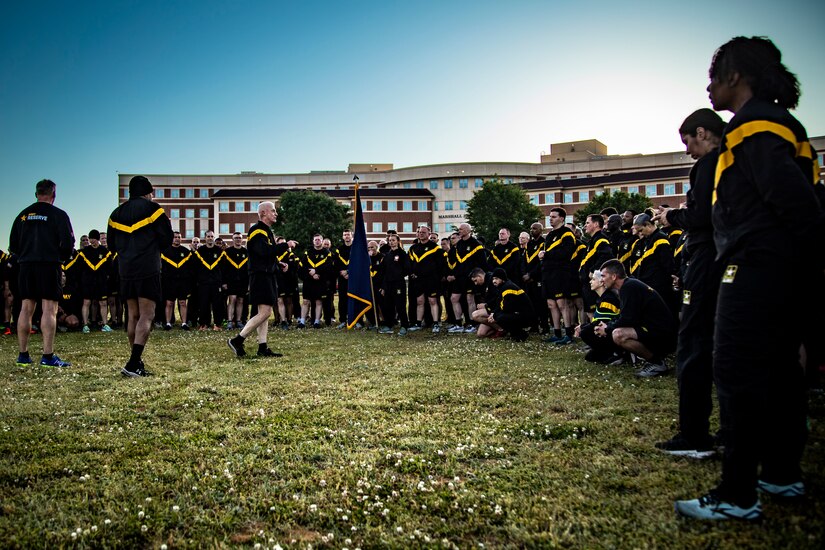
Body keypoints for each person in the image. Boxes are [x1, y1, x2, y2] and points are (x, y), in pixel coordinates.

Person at [674, 36, 824, 521]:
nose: (709, 86)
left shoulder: (753, 125)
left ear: (735, 76)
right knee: (781, 371)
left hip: (757, 261)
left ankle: (738, 493)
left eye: (714, 75)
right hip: (779, 264)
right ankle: (781, 474)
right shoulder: (783, 124)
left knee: (737, 369)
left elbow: (791, 199)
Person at [652, 108, 726, 460]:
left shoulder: (709, 165)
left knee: (693, 343)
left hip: (706, 259)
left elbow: (703, 216)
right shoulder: (736, 160)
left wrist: (672, 216)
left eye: (688, 142)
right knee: (723, 347)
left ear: (701, 132)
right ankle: (729, 430)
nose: (688, 151)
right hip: (726, 260)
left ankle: (695, 433)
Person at [107, 175, 173, 377]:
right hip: (147, 267)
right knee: (147, 314)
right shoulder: (154, 210)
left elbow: (111, 245)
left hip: (125, 269)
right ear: (148, 192)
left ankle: (135, 359)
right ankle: (134, 362)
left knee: (132, 315)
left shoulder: (115, 214)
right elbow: (166, 239)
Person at [9, 179, 75, 367]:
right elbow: (68, 244)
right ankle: (47, 355)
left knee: (26, 308)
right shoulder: (59, 214)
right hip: (49, 264)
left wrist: (25, 256)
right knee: (49, 309)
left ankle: (23, 355)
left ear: (36, 193)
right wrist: (61, 259)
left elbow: (13, 245)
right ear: (54, 195)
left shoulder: (22, 215)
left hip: (26, 265)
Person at [594, 259, 676, 377]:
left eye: (603, 276)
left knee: (618, 334)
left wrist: (607, 329)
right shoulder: (628, 286)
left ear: (613, 276)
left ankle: (657, 363)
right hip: (655, 329)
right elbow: (626, 316)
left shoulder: (629, 287)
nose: (601, 280)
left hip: (663, 334)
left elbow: (628, 319)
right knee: (616, 330)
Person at [228, 202, 283, 358]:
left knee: (264, 312)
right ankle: (237, 340)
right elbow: (263, 251)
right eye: (273, 211)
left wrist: (279, 263)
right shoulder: (257, 230)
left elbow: (265, 255)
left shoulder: (265, 231)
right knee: (265, 312)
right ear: (263, 213)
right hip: (260, 276)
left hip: (266, 274)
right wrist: (285, 246)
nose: (276, 213)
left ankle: (262, 347)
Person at [540, 208, 577, 344]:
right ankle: (556, 333)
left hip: (560, 272)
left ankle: (568, 334)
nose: (550, 219)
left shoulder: (567, 233)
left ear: (562, 218)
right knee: (551, 304)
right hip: (548, 273)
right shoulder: (549, 235)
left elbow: (567, 253)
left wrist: (547, 255)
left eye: (554, 217)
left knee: (562, 304)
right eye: (550, 217)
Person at [575, 269, 622, 363]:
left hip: (611, 333)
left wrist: (582, 326)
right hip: (608, 331)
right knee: (590, 357)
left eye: (593, 279)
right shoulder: (602, 298)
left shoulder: (608, 299)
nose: (590, 281)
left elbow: (602, 323)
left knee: (585, 332)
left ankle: (614, 353)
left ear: (601, 283)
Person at [408, 225, 443, 332]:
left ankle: (436, 323)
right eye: (419, 232)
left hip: (431, 280)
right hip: (418, 280)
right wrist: (411, 273)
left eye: (424, 232)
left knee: (432, 301)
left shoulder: (435, 248)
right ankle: (418, 323)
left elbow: (440, 264)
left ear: (429, 234)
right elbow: (409, 264)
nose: (421, 234)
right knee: (420, 301)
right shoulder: (413, 248)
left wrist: (438, 277)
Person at [487, 268, 535, 342]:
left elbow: (507, 307)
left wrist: (494, 315)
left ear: (502, 279)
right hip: (519, 314)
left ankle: (520, 334)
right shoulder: (503, 287)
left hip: (525, 316)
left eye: (496, 279)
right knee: (499, 316)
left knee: (500, 317)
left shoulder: (508, 288)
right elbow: (499, 303)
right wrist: (494, 313)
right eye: (493, 279)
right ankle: (514, 334)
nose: (494, 281)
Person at [378, 234, 411, 335]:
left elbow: (407, 269)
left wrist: (398, 275)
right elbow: (382, 270)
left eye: (393, 240)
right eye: (390, 240)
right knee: (388, 305)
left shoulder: (402, 254)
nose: (391, 242)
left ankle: (404, 326)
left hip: (398, 284)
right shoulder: (387, 255)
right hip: (388, 285)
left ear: (398, 241)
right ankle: (389, 325)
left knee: (400, 305)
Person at [161, 231, 193, 330]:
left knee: (183, 302)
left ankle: (184, 323)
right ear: (172, 238)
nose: (177, 239)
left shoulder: (186, 252)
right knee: (169, 303)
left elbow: (190, 268)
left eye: (179, 237)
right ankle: (168, 323)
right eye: (175, 237)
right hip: (169, 281)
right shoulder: (165, 252)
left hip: (182, 282)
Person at [223, 232, 249, 329]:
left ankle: (238, 321)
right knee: (232, 299)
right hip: (231, 280)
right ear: (232, 239)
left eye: (239, 238)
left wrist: (249, 283)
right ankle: (230, 320)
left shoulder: (246, 252)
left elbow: (248, 268)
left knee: (240, 300)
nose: (238, 239)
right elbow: (223, 268)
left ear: (242, 240)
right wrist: (224, 282)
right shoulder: (227, 252)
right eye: (236, 238)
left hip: (243, 280)